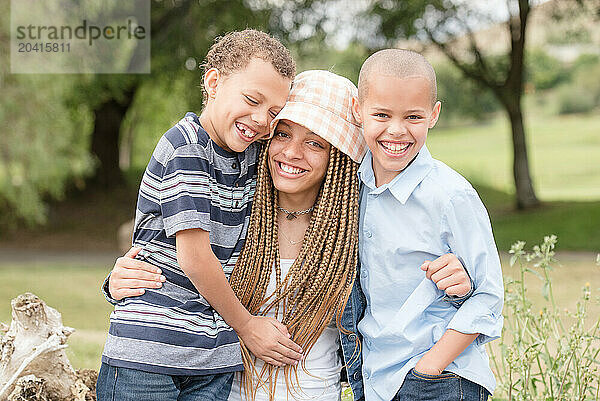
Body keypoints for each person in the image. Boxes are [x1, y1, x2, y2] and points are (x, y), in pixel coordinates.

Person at [106, 69, 474, 401]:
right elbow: (179, 256)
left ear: (339, 156)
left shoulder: (358, 226)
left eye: (315, 143)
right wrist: (119, 279)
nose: (292, 153)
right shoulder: (239, 205)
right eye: (282, 134)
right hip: (220, 389)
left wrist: (458, 281)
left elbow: (405, 295)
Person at [96, 29, 303, 401]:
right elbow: (194, 256)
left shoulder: (254, 158)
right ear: (213, 82)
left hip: (212, 358)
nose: (260, 119)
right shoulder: (186, 147)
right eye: (252, 100)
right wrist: (247, 326)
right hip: (150, 353)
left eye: (274, 112)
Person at [348, 48, 504, 401]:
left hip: (440, 380)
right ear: (358, 110)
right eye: (381, 115)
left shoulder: (451, 196)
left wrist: (430, 367)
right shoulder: (354, 189)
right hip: (377, 378)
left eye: (413, 117)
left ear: (434, 115)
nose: (397, 130)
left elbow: (489, 296)